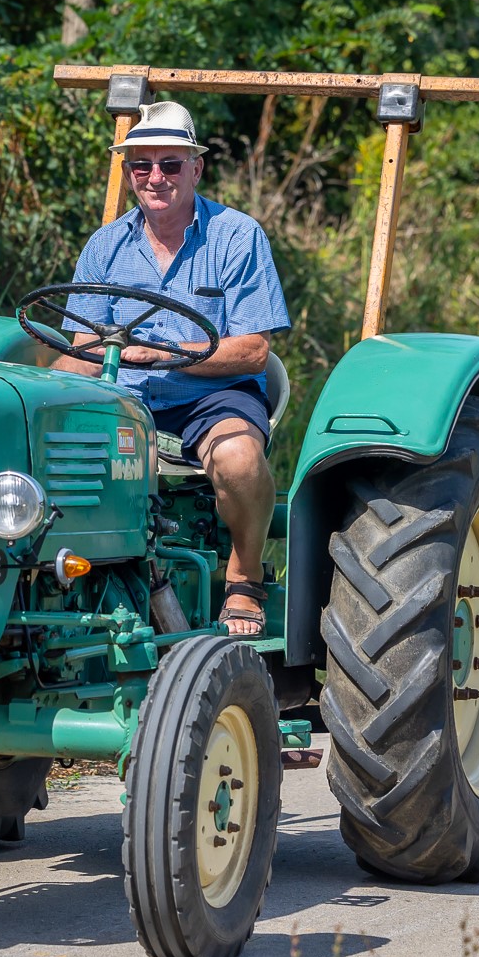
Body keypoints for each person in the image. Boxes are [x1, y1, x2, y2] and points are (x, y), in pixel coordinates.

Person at [52, 100, 290, 639]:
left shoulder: (236, 236)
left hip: (213, 394)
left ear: (196, 168)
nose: (155, 176)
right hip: (126, 397)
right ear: (129, 171)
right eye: (142, 164)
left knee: (238, 459)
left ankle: (244, 578)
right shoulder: (105, 245)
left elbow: (253, 350)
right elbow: (84, 348)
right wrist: (34, 390)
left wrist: (164, 352)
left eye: (170, 164)